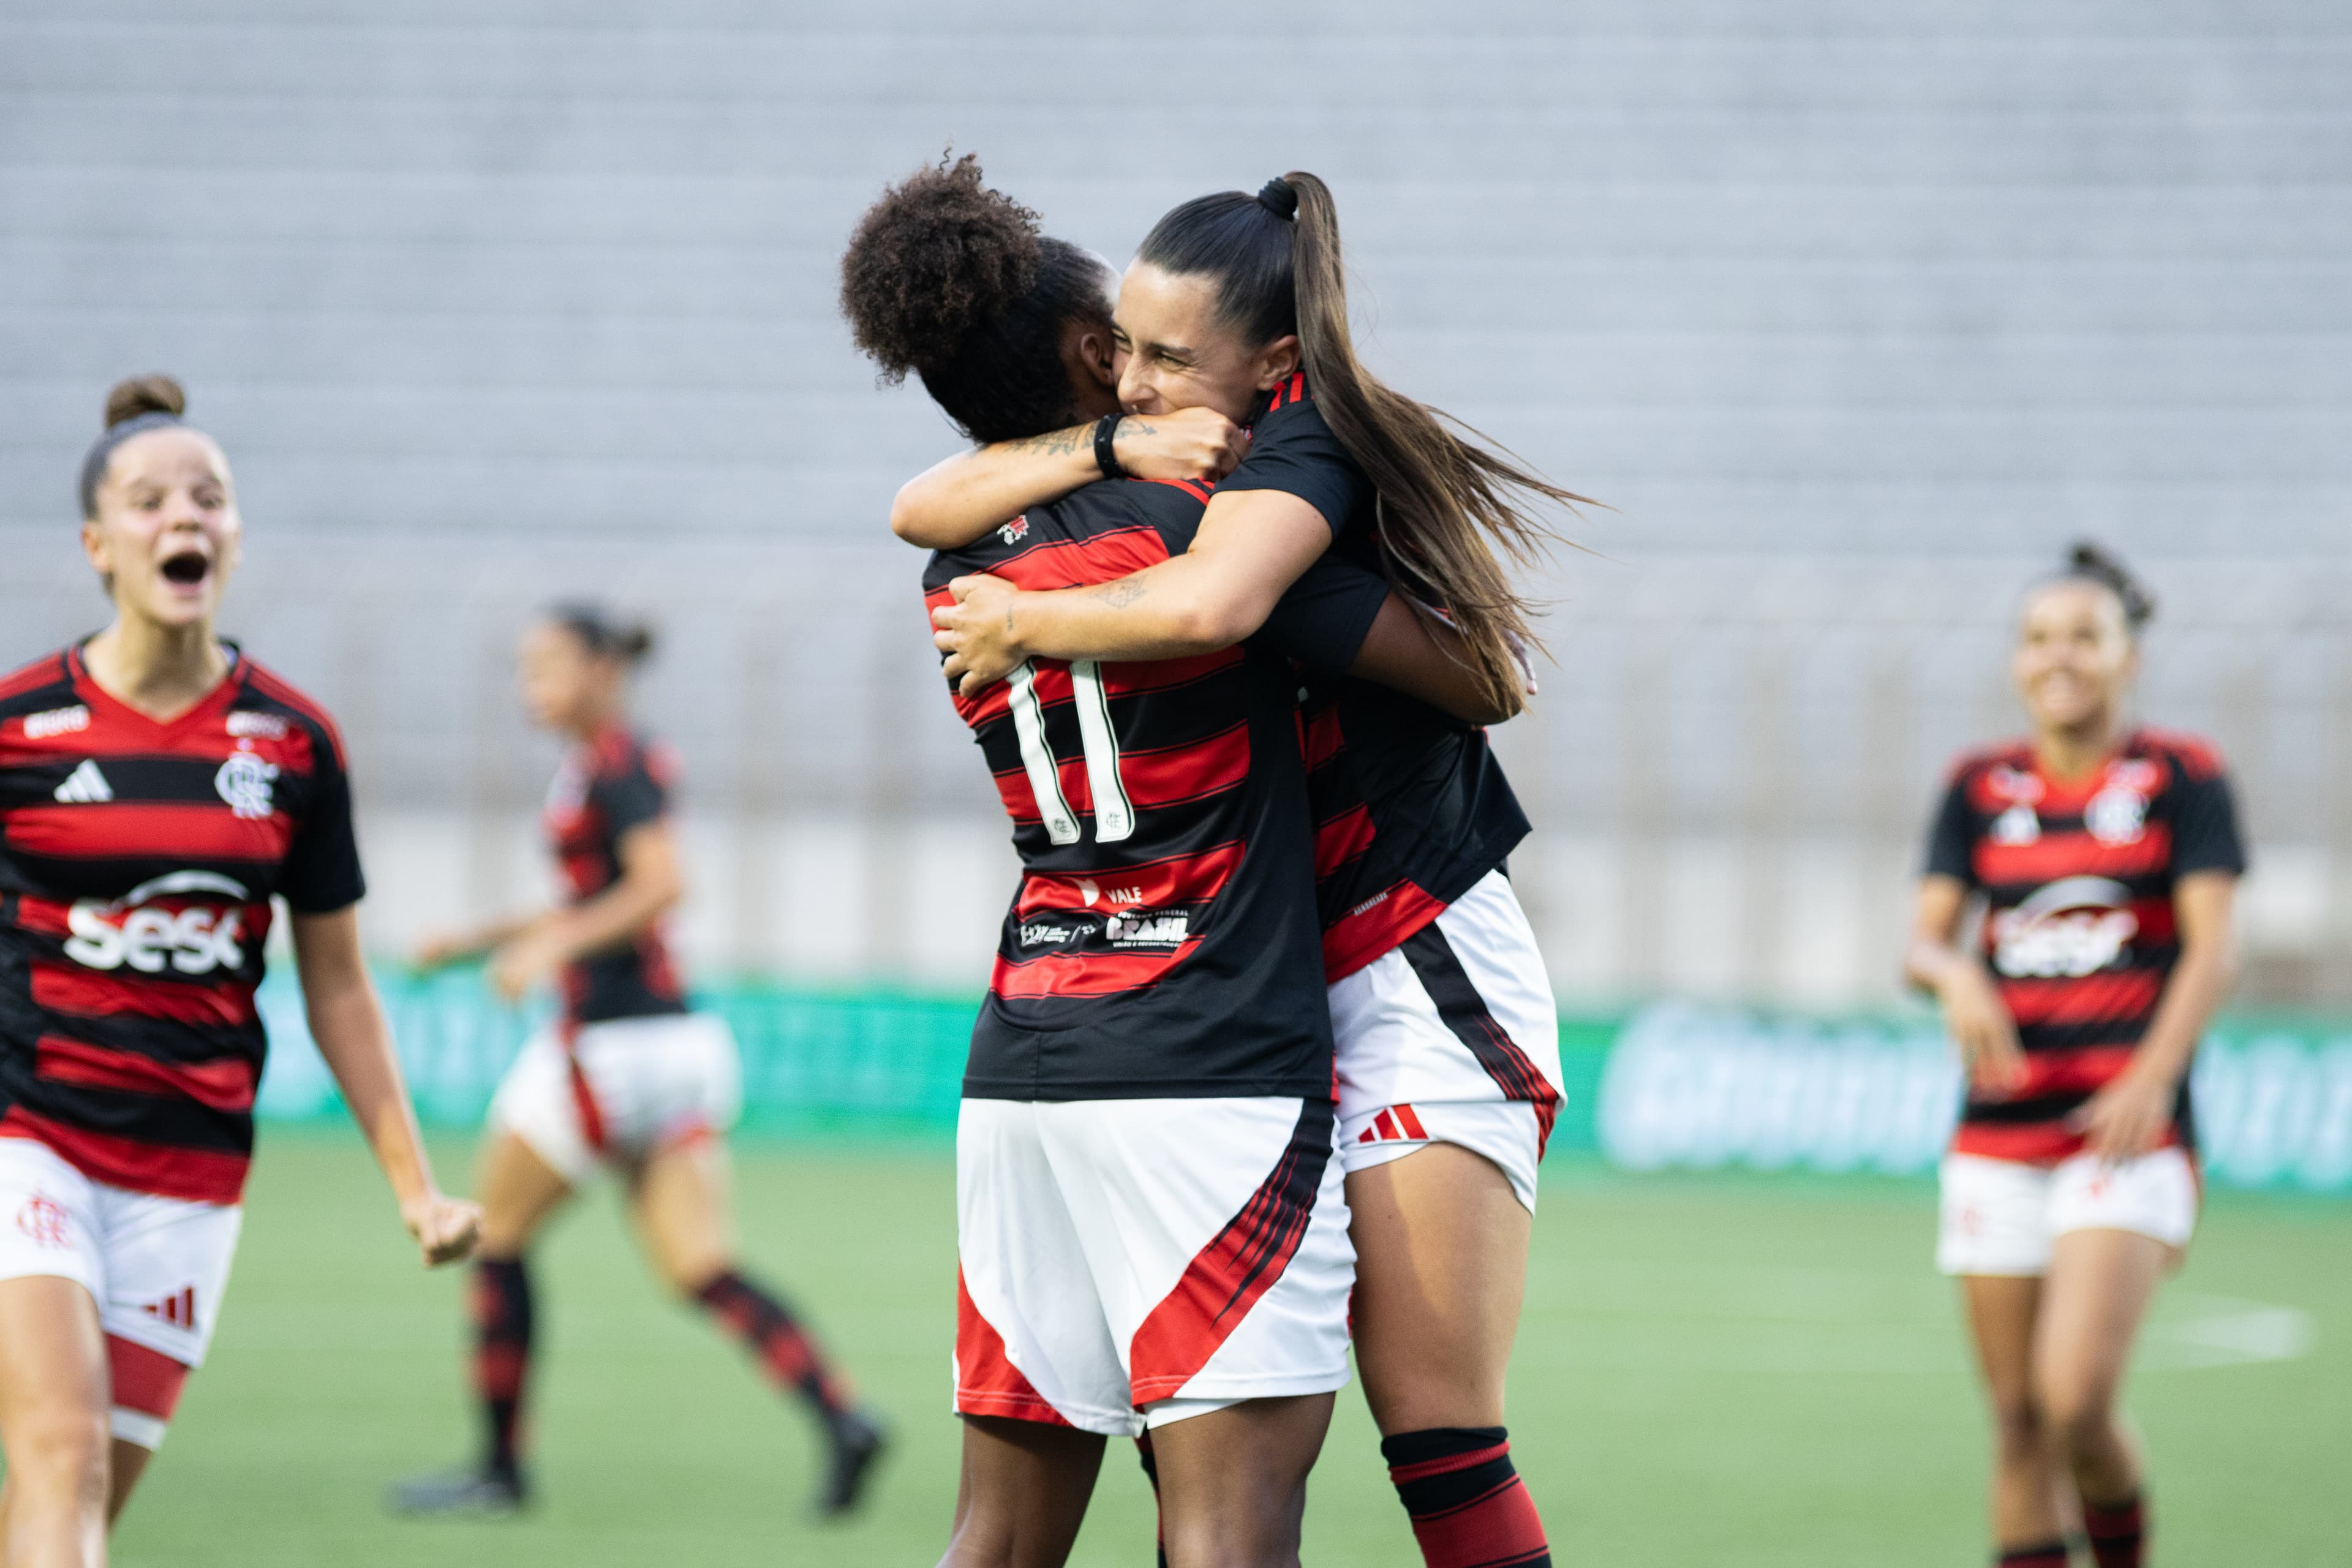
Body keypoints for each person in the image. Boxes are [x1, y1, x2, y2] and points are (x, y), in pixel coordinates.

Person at [842, 156, 1515, 1568]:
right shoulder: (1210, 522)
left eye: (1166, 350)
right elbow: (1458, 667)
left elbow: (922, 499)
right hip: (1210, 1041)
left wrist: (1048, 555)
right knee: (1242, 1519)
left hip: (1031, 1051)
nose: (1145, 373)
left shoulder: (957, 561)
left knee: (997, 1534)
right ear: (1090, 350)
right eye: (1126, 347)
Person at [0, 375, 480, 1566]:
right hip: (32, 1136)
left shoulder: (294, 744)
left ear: (236, 533)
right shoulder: (16, 730)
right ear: (99, 545)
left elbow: (339, 985)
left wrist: (416, 1188)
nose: (186, 517)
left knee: (75, 1506)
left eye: (208, 497)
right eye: (151, 500)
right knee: (66, 1453)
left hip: (192, 1172)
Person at [389, 607, 887, 1518]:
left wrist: (553, 949)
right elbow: (591, 898)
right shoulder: (599, 766)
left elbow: (661, 886)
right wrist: (474, 940)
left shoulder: (619, 764)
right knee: (699, 1265)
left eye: (548, 664)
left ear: (602, 669)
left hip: (613, 1047)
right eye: (525, 667)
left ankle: (500, 1470)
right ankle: (844, 1416)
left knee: (496, 1236)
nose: (531, 684)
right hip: (677, 1050)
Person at [1905, 544, 2244, 1568]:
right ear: (2017, 660)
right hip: (1997, 1137)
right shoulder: (1977, 785)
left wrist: (2151, 1079)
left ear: (2128, 657)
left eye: (2085, 637)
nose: (2060, 656)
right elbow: (1922, 944)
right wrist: (1956, 976)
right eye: (2040, 638)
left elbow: (2214, 952)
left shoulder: (2181, 776)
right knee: (2017, 1423)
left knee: (2075, 1401)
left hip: (2121, 1134)